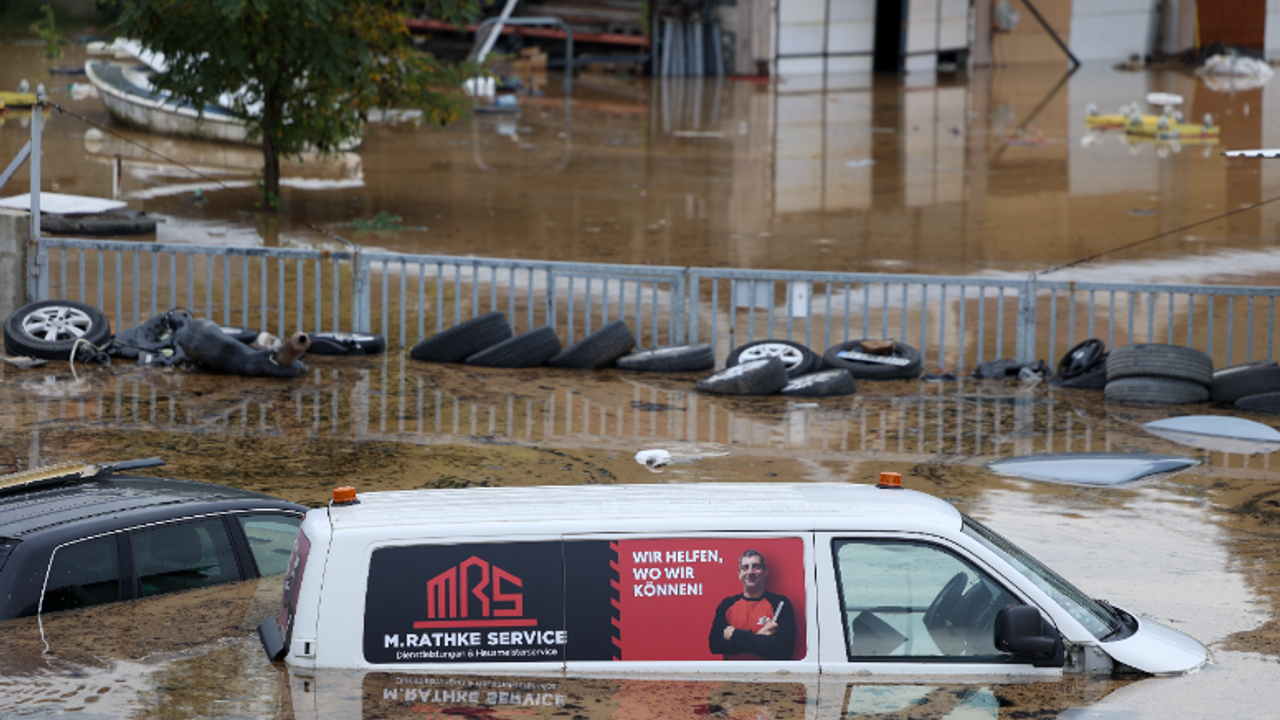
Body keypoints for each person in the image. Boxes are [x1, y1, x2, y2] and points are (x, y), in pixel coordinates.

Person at [707, 549, 796, 660]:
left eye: (756, 566)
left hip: (770, 675)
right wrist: (759, 639)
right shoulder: (727, 604)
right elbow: (715, 645)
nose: (750, 572)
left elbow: (783, 649)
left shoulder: (780, 603)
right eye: (745, 567)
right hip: (734, 675)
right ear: (739, 574)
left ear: (765, 572)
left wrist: (734, 635)